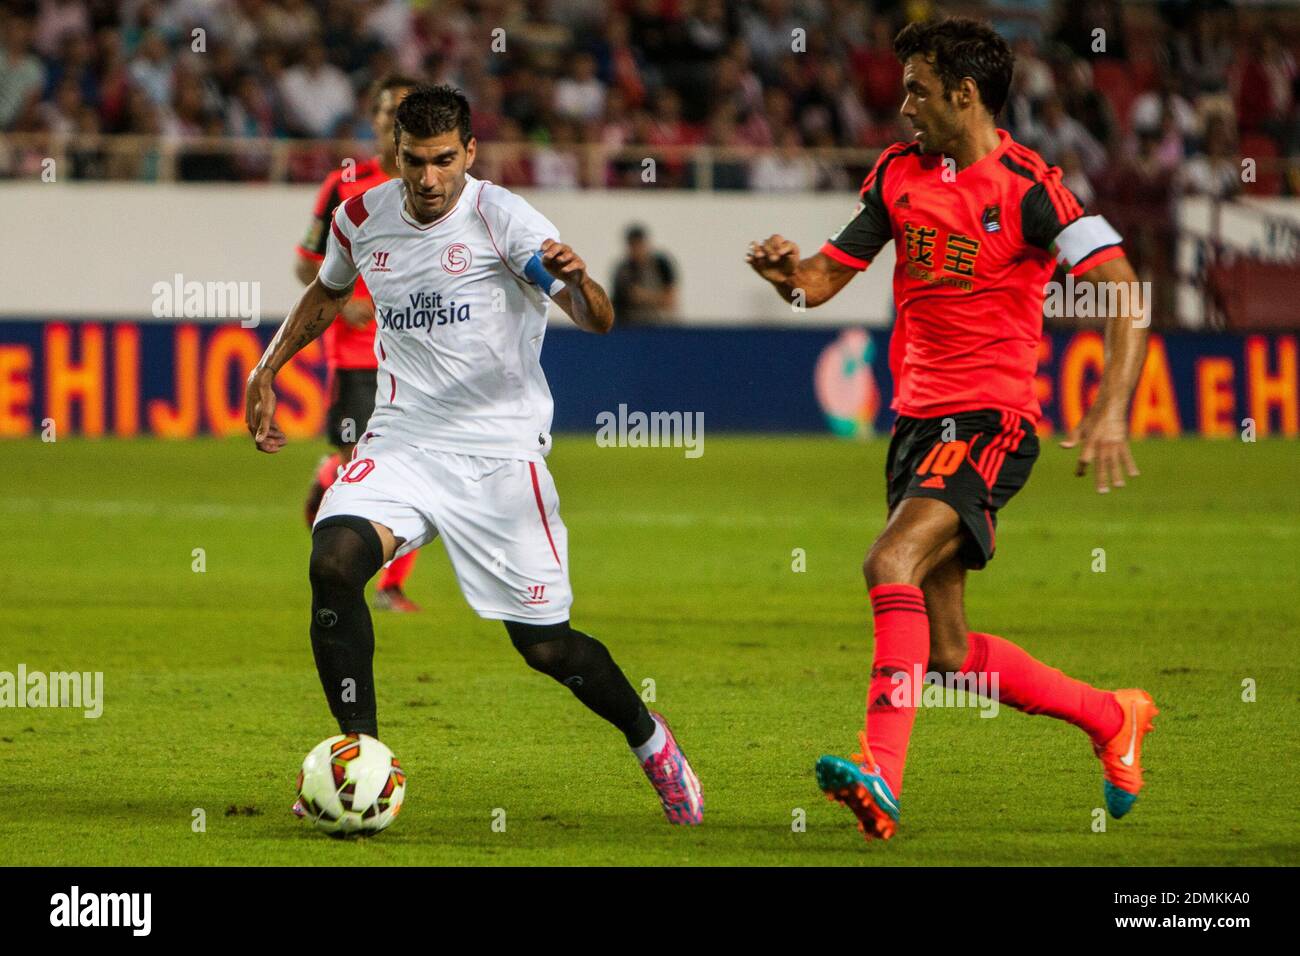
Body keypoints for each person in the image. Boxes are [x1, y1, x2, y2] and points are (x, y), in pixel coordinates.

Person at [246, 85, 703, 826]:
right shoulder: (360, 214)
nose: (429, 180)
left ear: (470, 152)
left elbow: (598, 319)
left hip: (497, 453)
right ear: (396, 153)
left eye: (443, 162)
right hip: (401, 439)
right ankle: (356, 757)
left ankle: (652, 742)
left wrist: (582, 279)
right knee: (332, 562)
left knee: (546, 647)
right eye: (415, 162)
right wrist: (268, 368)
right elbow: (327, 295)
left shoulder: (505, 218)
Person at [746, 18, 1155, 842]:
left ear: (965, 95)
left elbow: (1121, 287)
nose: (903, 106)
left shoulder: (1032, 188)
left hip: (990, 419)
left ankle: (880, 778)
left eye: (919, 90)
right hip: (915, 426)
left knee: (888, 560)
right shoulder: (900, 175)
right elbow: (825, 280)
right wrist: (788, 277)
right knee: (945, 652)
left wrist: (1112, 406)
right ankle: (1111, 715)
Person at [297, 73, 423, 612]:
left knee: (415, 462)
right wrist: (344, 301)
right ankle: (335, 490)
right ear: (372, 121)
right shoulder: (343, 184)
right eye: (386, 111)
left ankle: (389, 584)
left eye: (406, 112)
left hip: (420, 354)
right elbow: (305, 261)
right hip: (357, 354)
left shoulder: (438, 187)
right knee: (365, 463)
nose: (394, 121)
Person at [610, 225, 678, 325]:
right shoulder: (623, 270)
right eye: (632, 245)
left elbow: (670, 301)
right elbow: (616, 303)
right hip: (630, 325)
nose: (636, 250)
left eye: (638, 245)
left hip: (660, 324)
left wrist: (642, 296)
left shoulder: (661, 265)